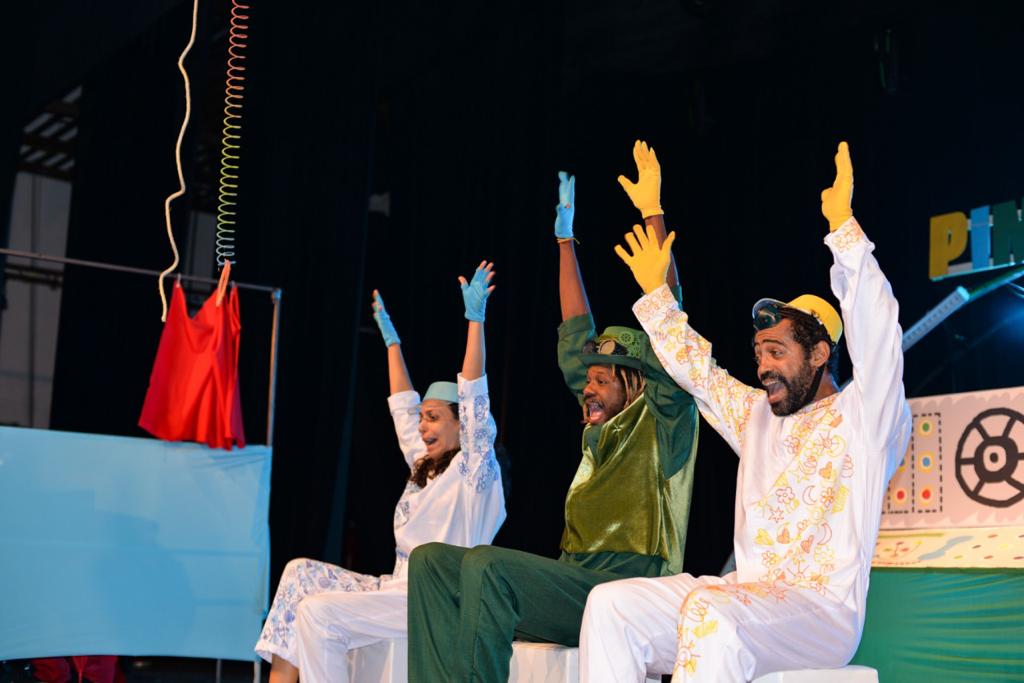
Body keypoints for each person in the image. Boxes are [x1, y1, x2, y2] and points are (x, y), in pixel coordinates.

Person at [580, 142, 911, 682]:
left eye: (777, 351)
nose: (762, 366)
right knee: (612, 607)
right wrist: (656, 295)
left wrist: (845, 235)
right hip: (746, 597)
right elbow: (699, 371)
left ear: (821, 354)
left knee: (711, 614)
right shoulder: (757, 414)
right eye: (759, 353)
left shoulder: (864, 417)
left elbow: (880, 340)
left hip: (821, 613)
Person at [406, 141, 700, 683]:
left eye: (600, 379)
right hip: (574, 580)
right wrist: (566, 242)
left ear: (634, 382)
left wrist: (653, 216)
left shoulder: (664, 418)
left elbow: (672, 335)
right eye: (585, 379)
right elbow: (575, 333)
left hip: (626, 592)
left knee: (487, 565)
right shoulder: (597, 423)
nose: (586, 388)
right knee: (430, 562)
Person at [254, 262, 506, 683]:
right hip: (396, 589)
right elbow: (402, 408)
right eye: (423, 419)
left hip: (437, 598)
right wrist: (392, 343)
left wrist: (474, 322)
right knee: (300, 572)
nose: (422, 427)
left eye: (433, 418)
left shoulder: (474, 472)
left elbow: (474, 394)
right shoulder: (425, 468)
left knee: (319, 613)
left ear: (462, 425)